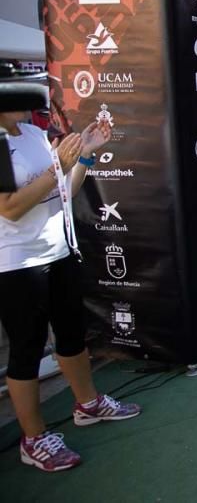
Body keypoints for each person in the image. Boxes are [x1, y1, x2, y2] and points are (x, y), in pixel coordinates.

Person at [0, 112, 141, 472]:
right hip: (17, 264)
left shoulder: (32, 133)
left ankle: (88, 404)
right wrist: (56, 167)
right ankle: (33, 438)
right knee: (27, 348)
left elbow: (66, 188)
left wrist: (85, 156)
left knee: (72, 335)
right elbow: (10, 208)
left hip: (59, 251)